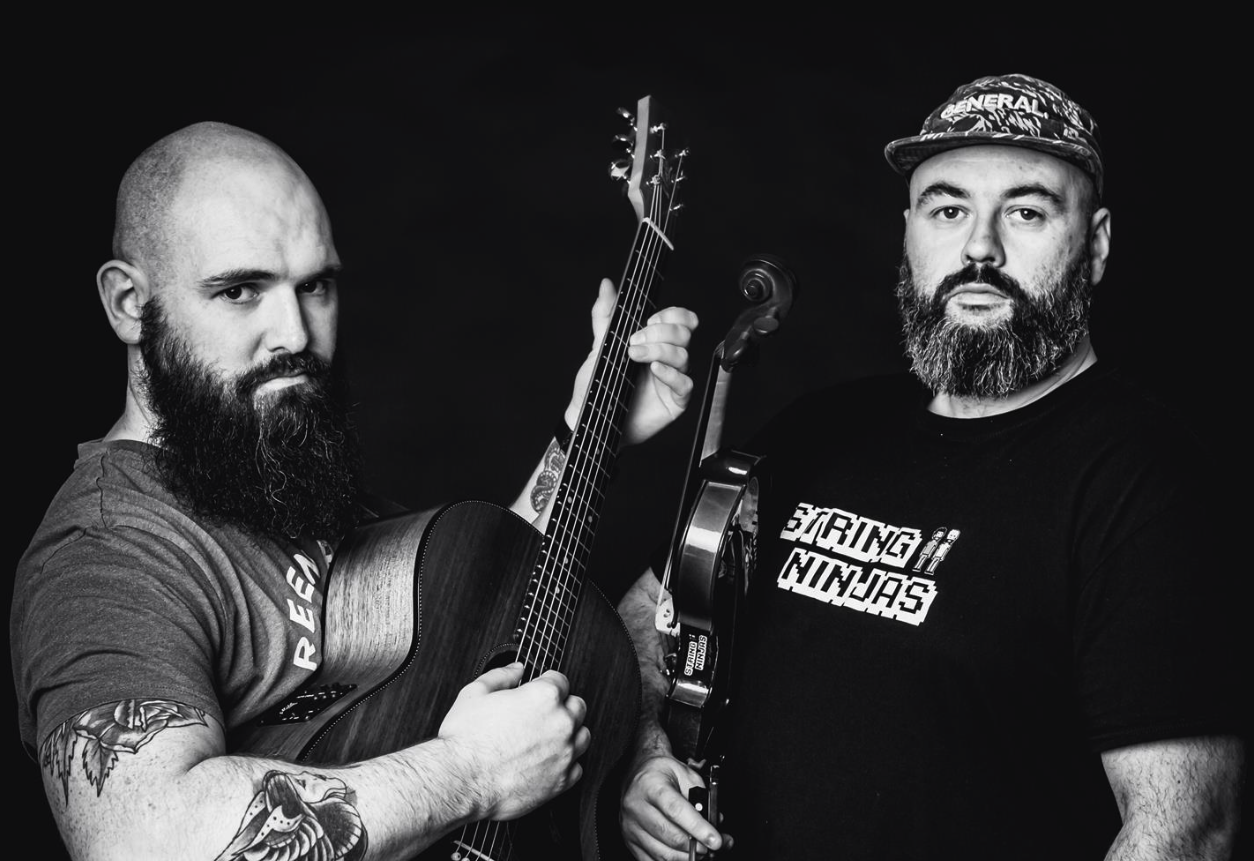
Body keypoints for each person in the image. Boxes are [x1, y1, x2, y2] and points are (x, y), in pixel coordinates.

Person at [10, 120, 699, 860]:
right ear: (126, 303)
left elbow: (482, 607)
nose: (295, 334)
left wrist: (586, 428)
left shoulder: (271, 465)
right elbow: (141, 841)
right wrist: (468, 772)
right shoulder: (107, 551)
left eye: (316, 287)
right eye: (240, 290)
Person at [616, 73, 1246, 860]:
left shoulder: (1147, 487)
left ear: (1098, 242)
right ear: (909, 232)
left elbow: (1186, 829)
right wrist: (643, 758)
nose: (979, 248)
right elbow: (651, 615)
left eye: (1026, 210)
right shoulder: (818, 426)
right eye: (949, 209)